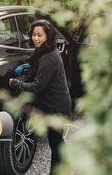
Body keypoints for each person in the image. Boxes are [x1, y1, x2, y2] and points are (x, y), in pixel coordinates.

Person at [9, 19, 72, 175]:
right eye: (34, 35)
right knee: (56, 142)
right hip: (54, 105)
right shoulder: (46, 52)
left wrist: (15, 83)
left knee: (56, 143)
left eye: (40, 35)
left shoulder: (49, 57)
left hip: (56, 108)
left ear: (48, 36)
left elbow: (37, 87)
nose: (35, 38)